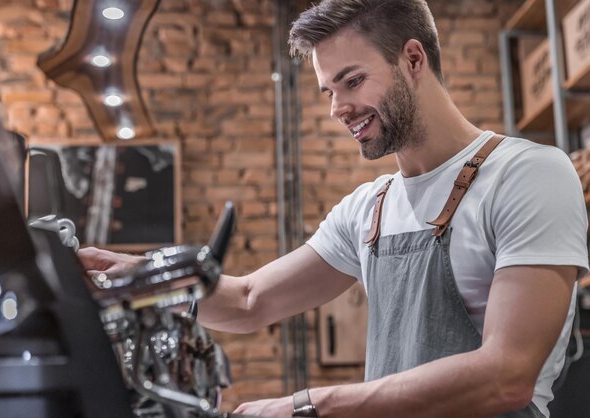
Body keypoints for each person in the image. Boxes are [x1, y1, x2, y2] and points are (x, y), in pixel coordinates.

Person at [79, 0, 589, 417]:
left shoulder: (526, 175)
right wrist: (133, 280)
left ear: (414, 59)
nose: (336, 109)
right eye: (328, 90)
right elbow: (249, 299)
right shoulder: (370, 207)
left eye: (352, 81)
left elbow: (508, 376)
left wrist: (308, 405)